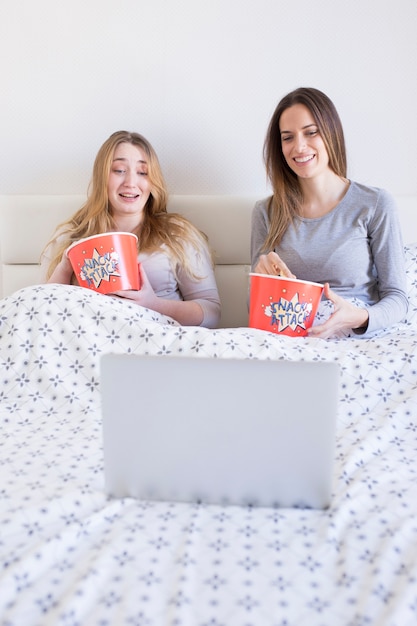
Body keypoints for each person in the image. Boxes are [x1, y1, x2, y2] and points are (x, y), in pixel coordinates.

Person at [251, 87, 408, 339]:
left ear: (331, 133)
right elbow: (257, 310)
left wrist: (358, 317)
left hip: (358, 338)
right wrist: (263, 283)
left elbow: (399, 299)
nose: (299, 147)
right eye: (287, 137)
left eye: (311, 132)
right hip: (292, 341)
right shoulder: (266, 212)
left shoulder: (375, 204)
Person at [43, 130, 221, 328]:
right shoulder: (71, 236)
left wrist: (154, 305)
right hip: (89, 347)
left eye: (143, 172)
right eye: (119, 170)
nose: (130, 183)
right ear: (102, 177)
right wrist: (66, 267)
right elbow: (43, 312)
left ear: (153, 181)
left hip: (156, 345)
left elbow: (211, 314)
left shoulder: (176, 235)